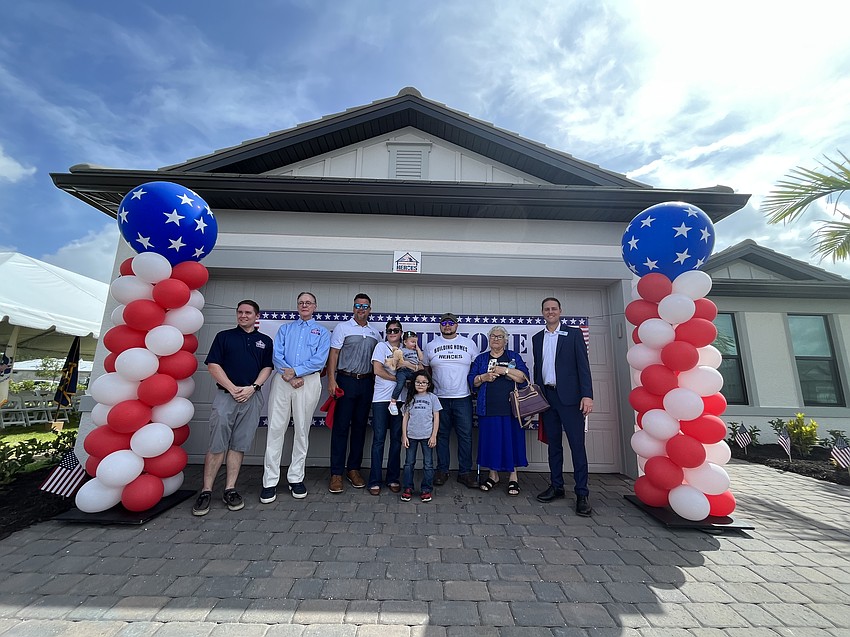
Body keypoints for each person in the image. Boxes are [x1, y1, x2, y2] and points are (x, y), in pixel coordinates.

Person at [193, 300, 273, 516]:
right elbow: (213, 365)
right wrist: (233, 388)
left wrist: (253, 388)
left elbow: (267, 367)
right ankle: (207, 490)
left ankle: (230, 489)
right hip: (226, 397)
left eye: (248, 313)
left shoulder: (264, 341)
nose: (243, 316)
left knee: (239, 445)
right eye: (240, 312)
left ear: (257, 316)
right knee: (217, 444)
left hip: (251, 398)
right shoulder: (224, 337)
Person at [260, 292, 330, 503]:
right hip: (283, 381)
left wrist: (297, 372)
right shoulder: (285, 329)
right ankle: (269, 481)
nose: (304, 305)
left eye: (308, 302)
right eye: (301, 302)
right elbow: (276, 355)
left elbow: (319, 361)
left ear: (315, 306)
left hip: (308, 382)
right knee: (275, 429)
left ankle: (295, 478)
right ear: (297, 306)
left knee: (301, 430)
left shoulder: (323, 332)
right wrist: (289, 377)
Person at [532, 297, 593, 516]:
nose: (550, 312)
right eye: (546, 309)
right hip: (548, 399)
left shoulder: (573, 334)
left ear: (560, 311)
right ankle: (556, 486)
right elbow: (538, 368)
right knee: (554, 446)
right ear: (542, 312)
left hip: (571, 399)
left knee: (577, 447)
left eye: (554, 309)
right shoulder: (537, 338)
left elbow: (583, 367)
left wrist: (587, 395)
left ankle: (582, 493)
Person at [326, 293, 381, 493]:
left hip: (366, 383)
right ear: (353, 308)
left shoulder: (376, 333)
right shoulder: (343, 328)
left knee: (359, 428)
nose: (361, 309)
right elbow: (334, 354)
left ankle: (354, 470)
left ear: (370, 309)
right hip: (345, 381)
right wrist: (331, 380)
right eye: (358, 305)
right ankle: (336, 474)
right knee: (341, 428)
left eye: (365, 306)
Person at [468, 325, 530, 496]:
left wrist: (505, 371)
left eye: (499, 336)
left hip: (511, 409)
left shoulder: (513, 356)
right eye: (493, 336)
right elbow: (472, 380)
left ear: (506, 340)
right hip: (487, 408)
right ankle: (493, 475)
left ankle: (513, 477)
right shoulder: (481, 359)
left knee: (512, 442)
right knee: (491, 442)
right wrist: (483, 377)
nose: (495, 339)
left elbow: (524, 378)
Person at [423, 312, 480, 489]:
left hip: (463, 397)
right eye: (444, 323)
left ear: (457, 325)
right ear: (440, 326)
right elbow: (425, 371)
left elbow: (476, 368)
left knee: (465, 436)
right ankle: (442, 470)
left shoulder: (469, 344)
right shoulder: (431, 345)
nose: (447, 326)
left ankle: (464, 472)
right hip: (439, 398)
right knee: (441, 436)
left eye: (451, 323)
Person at [368, 320, 405, 495]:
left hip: (400, 400)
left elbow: (417, 368)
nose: (392, 333)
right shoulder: (381, 347)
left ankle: (393, 478)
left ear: (401, 332)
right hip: (381, 399)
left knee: (396, 440)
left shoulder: (406, 350)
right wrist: (399, 379)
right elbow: (377, 370)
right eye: (389, 330)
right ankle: (374, 480)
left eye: (395, 330)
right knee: (379, 439)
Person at [400, 370, 441, 503]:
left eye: (424, 382)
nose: (421, 384)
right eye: (418, 382)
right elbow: (405, 418)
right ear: (413, 383)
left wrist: (434, 436)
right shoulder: (410, 398)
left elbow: (436, 417)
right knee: (408, 463)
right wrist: (404, 436)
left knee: (428, 464)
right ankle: (407, 488)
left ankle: (426, 489)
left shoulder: (432, 398)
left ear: (428, 384)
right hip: (411, 436)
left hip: (427, 436)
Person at [388, 330, 423, 415]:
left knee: (415, 386)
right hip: (403, 371)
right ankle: (393, 402)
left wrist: (417, 348)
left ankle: (408, 405)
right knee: (400, 384)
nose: (414, 344)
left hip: (413, 372)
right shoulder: (401, 350)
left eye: (415, 342)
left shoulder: (416, 351)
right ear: (405, 342)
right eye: (412, 342)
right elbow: (396, 360)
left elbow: (421, 359)